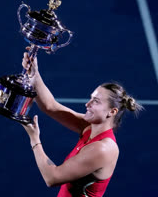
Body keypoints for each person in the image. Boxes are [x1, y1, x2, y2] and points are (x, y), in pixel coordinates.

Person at [21, 47, 143, 197]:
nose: (87, 104)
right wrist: (35, 75)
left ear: (112, 112)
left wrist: (35, 140)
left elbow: (52, 178)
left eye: (96, 101)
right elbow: (50, 107)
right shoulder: (89, 128)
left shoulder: (103, 149)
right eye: (90, 98)